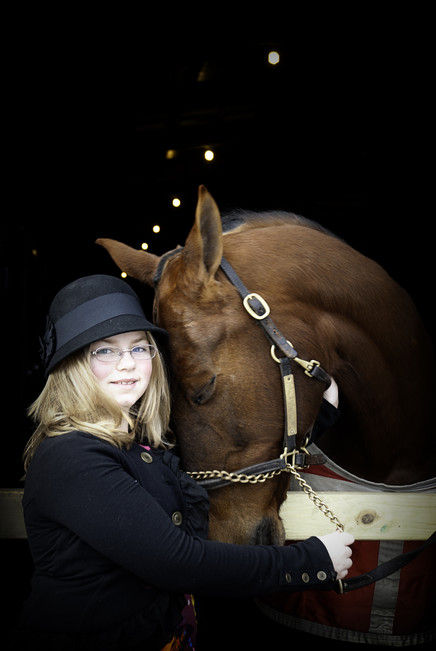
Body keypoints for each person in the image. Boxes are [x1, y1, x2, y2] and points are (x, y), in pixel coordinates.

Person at [18, 274, 354, 650]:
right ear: (73, 365)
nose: (127, 364)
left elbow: (221, 477)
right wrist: (307, 563)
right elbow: (178, 563)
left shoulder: (140, 442)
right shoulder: (70, 456)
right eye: (105, 350)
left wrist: (319, 416)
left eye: (139, 348)